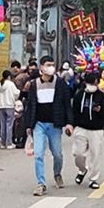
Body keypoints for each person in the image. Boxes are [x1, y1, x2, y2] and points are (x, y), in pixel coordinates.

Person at [23, 56, 73, 196]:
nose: (51, 67)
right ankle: (41, 183)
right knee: (38, 154)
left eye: (53, 64)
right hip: (38, 124)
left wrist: (69, 123)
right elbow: (30, 105)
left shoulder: (60, 83)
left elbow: (67, 104)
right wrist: (28, 125)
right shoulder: (34, 84)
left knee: (57, 154)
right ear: (42, 67)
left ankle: (57, 174)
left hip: (55, 124)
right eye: (48, 65)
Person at [71, 72, 104, 190]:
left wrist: (100, 110)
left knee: (95, 154)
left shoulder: (101, 96)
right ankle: (82, 169)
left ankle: (93, 179)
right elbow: (74, 110)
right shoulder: (79, 95)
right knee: (78, 153)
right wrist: (71, 125)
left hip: (96, 129)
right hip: (81, 127)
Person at [0, 70, 20, 149]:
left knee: (2, 125)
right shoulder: (11, 84)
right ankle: (9, 143)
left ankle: (2, 143)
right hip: (9, 106)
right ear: (9, 76)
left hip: (0, 106)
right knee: (9, 125)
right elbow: (16, 93)